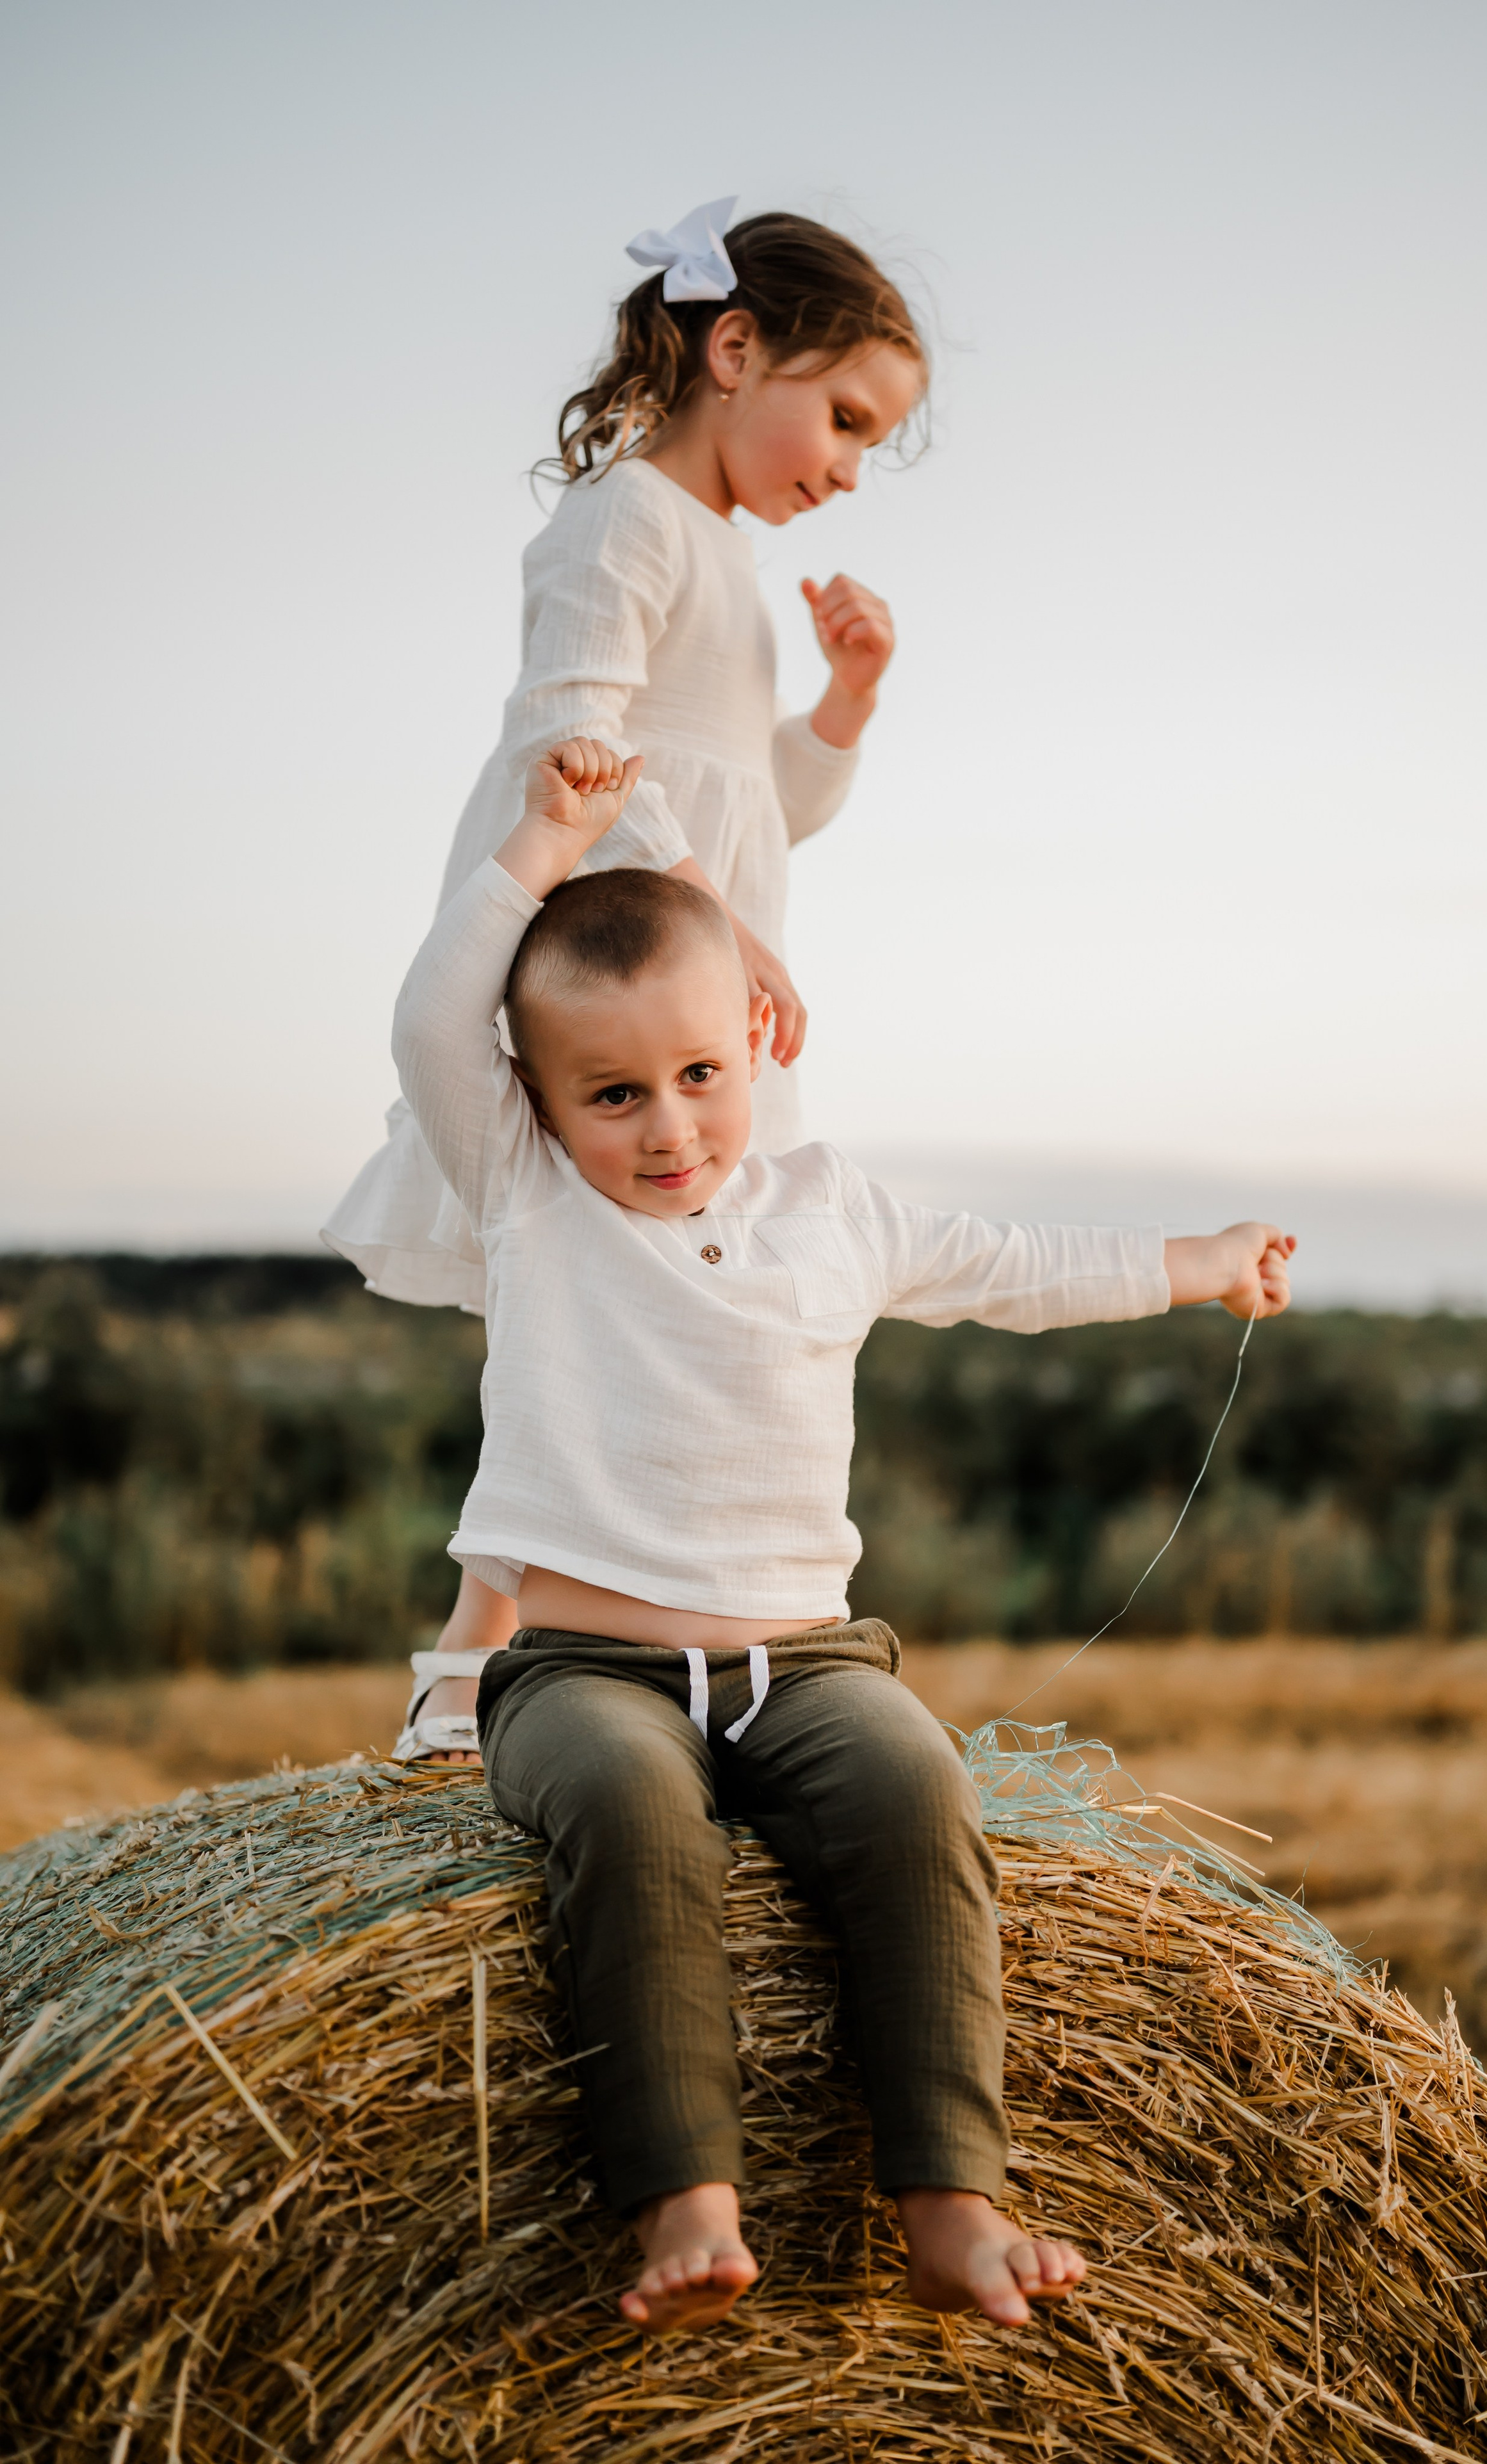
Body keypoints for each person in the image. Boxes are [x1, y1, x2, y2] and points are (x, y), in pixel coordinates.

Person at [392, 731, 1296, 2335]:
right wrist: (538, 845)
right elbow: (427, 1017)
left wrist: (1198, 1257)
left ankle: (952, 2196)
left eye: (695, 1076)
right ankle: (684, 2193)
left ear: (754, 1032)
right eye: (610, 1094)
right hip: (585, 1670)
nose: (665, 1128)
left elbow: (1020, 1266)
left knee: (915, 1786)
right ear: (532, 1097)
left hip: (810, 1664)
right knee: (630, 1824)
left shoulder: (838, 1208)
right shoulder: (532, 1197)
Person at [325, 203, 927, 1739]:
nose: (852, 466)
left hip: (701, 973)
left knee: (686, 1310)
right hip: (619, 975)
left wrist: (847, 701)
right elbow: (570, 735)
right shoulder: (624, 523)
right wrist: (709, 922)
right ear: (734, 348)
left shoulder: (720, 557)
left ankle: (691, 1618)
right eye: (845, 415)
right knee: (569, 1310)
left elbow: (754, 799)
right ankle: (476, 1649)